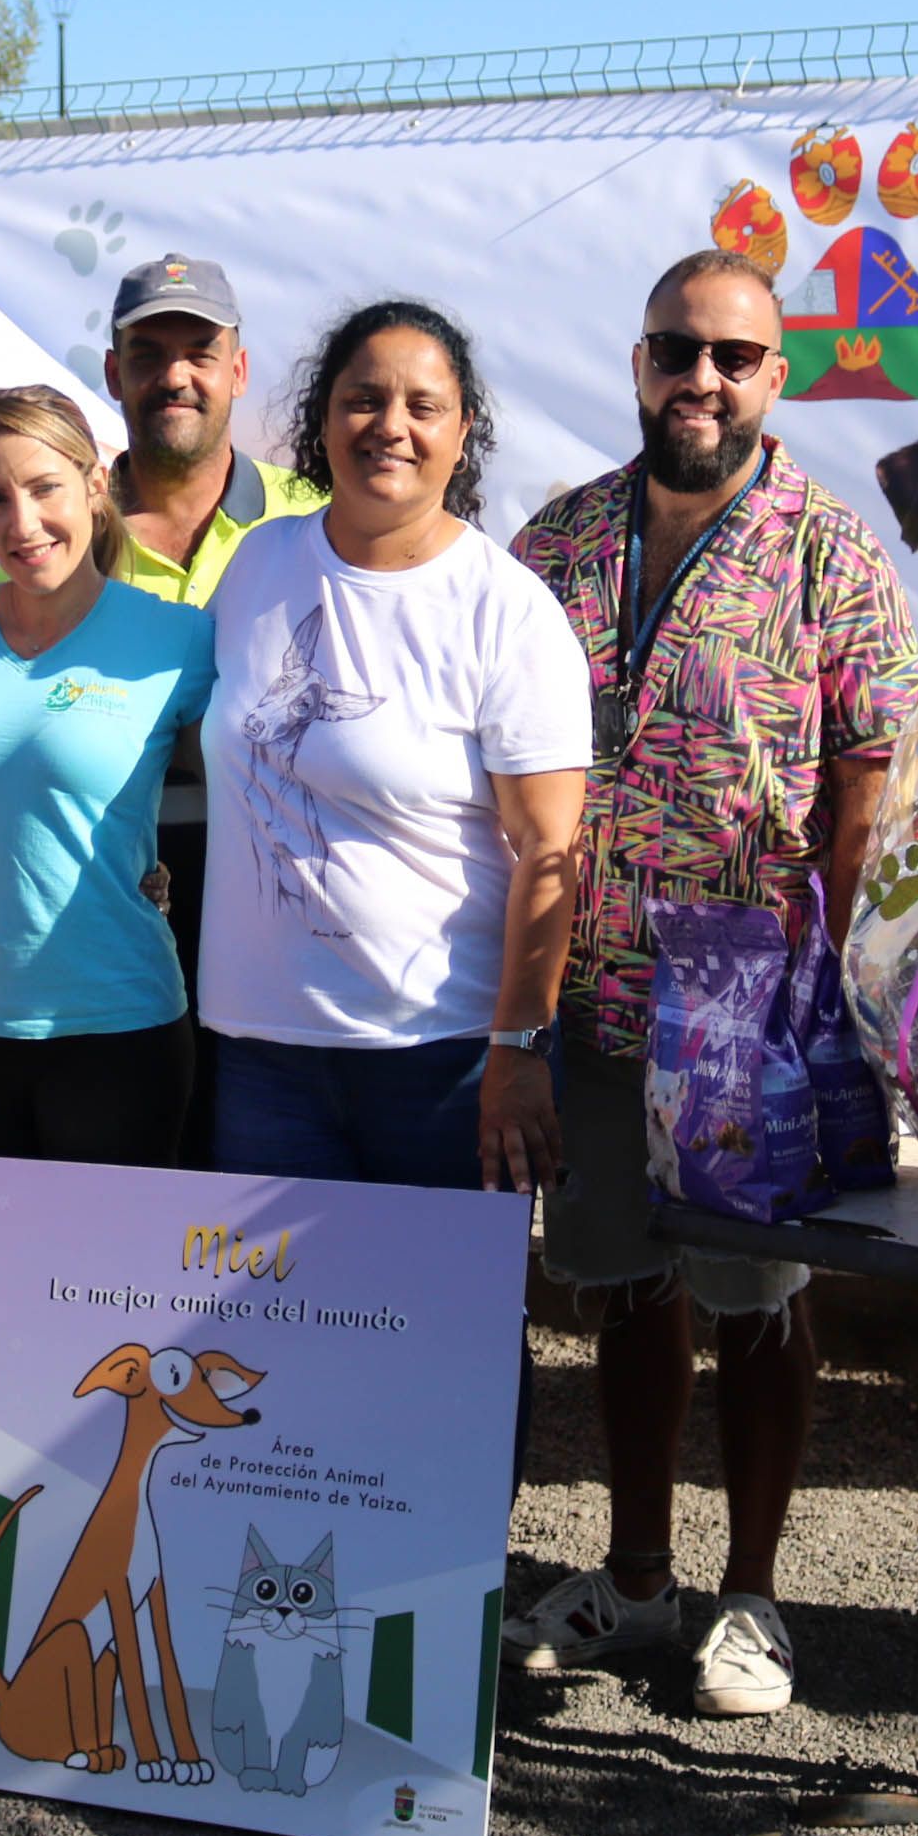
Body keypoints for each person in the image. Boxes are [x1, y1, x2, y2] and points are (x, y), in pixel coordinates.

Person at [503, 251, 918, 1717]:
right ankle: (632, 1579)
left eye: (735, 357)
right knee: (619, 1286)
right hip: (591, 984)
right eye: (678, 351)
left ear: (775, 377)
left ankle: (750, 1597)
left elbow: (874, 787)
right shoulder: (554, 546)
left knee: (753, 1299)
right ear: (638, 363)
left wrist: (854, 992)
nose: (703, 380)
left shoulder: (832, 549)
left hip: (750, 999)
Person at [197, 299, 590, 1195]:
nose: (391, 427)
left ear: (464, 433)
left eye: (423, 406)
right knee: (270, 1333)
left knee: (446, 1334)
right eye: (363, 400)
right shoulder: (257, 566)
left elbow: (549, 850)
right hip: (263, 1057)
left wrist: (519, 1050)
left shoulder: (507, 609)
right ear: (324, 418)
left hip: (440, 1063)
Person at [0, 387, 217, 1188]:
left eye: (44, 489)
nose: (22, 523)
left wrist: (175, 872)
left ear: (95, 485)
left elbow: (245, 802)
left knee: (118, 1306)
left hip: (125, 1029)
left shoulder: (177, 639)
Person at [99, 253, 328, 1162]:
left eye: (200, 349)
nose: (175, 375)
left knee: (269, 1160)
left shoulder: (311, 513)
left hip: (282, 869)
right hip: (116, 874)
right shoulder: (60, 526)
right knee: (142, 1157)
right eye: (148, 353)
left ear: (238, 369)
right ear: (114, 373)